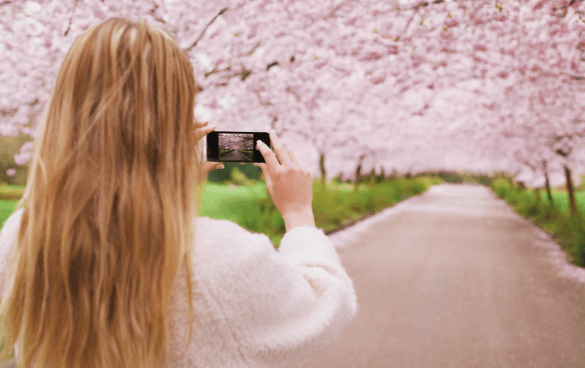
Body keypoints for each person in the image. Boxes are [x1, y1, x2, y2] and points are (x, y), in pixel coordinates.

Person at [0, 17, 357, 368]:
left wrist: (167, 189)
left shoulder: (19, 237)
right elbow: (325, 305)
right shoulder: (218, 256)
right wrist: (297, 212)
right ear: (174, 113)